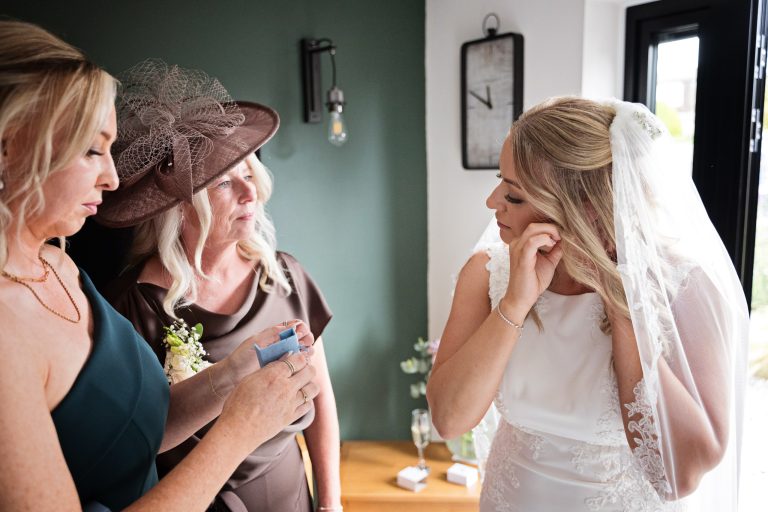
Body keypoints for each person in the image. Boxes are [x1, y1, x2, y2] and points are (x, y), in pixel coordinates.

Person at [0, 21, 318, 512]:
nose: (111, 178)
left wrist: (232, 373)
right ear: (9, 148)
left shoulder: (56, 263)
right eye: (91, 150)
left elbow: (137, 426)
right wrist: (238, 432)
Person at [427, 97, 748, 511]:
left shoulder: (684, 287)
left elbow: (680, 477)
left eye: (515, 195)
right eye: (500, 182)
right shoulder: (488, 273)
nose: (492, 202)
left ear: (586, 207)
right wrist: (516, 303)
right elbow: (449, 420)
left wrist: (621, 303)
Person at [96, 59, 341, 512]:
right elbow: (130, 444)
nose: (251, 194)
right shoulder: (132, 305)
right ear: (179, 208)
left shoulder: (284, 276)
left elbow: (321, 399)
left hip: (291, 496)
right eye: (225, 183)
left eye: (250, 174)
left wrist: (330, 502)